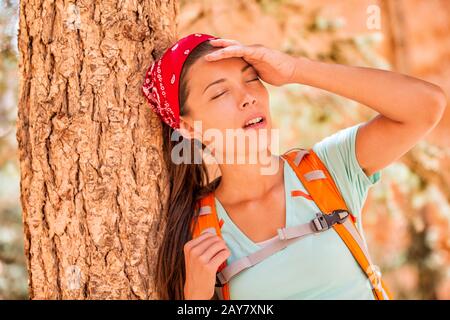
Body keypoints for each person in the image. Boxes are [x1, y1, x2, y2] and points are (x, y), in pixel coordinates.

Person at [142, 33, 447, 300]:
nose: (248, 97)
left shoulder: (326, 171)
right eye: (221, 92)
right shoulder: (197, 232)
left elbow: (426, 105)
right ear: (189, 127)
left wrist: (295, 69)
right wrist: (195, 300)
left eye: (251, 79)